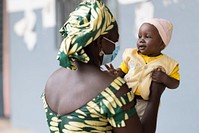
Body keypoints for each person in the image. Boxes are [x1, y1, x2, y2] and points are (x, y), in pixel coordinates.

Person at [41, 0, 165, 133]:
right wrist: (155, 97)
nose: (115, 47)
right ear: (100, 42)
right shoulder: (113, 90)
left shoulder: (52, 81)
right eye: (114, 41)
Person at [106, 18, 180, 119]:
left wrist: (164, 78)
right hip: (125, 98)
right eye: (139, 36)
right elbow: (122, 70)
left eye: (147, 36)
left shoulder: (168, 63)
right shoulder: (131, 55)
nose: (141, 40)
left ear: (162, 43)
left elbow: (175, 83)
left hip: (145, 104)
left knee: (139, 126)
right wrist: (115, 73)